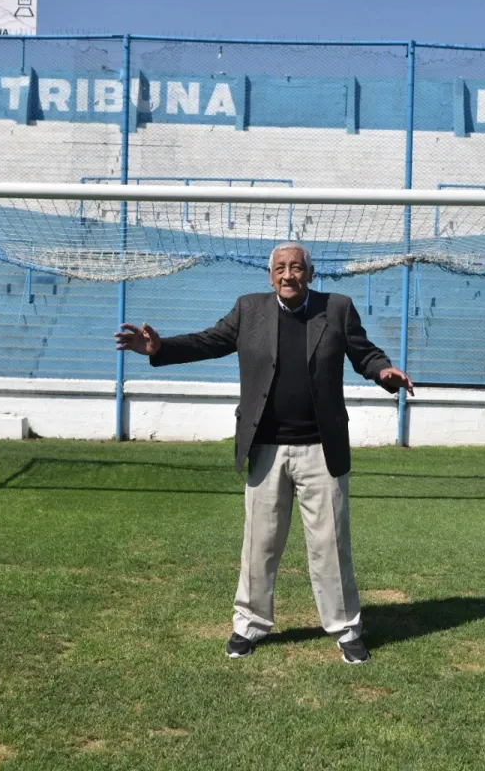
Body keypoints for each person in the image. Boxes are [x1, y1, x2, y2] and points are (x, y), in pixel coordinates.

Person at [115, 242, 413, 664]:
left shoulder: (338, 308)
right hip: (266, 450)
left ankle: (346, 629)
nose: (288, 274)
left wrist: (383, 371)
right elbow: (209, 341)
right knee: (260, 544)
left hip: (320, 450)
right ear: (269, 275)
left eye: (296, 268)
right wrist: (160, 349)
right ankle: (249, 625)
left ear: (309, 274)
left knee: (331, 545)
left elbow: (363, 353)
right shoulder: (248, 310)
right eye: (280, 268)